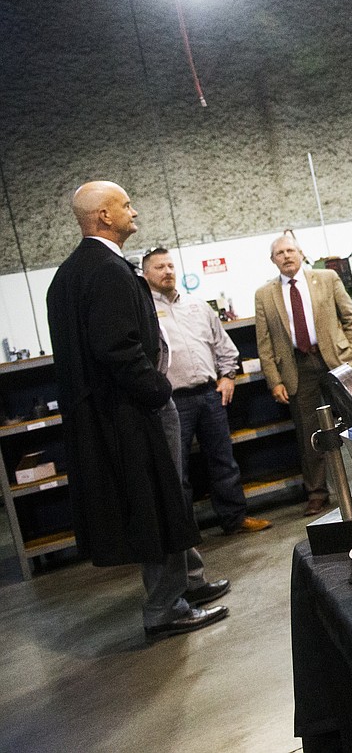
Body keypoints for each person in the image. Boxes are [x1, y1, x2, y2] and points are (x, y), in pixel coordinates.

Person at [46, 181, 229, 641]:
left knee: (168, 494)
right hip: (134, 411)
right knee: (160, 499)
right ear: (103, 216)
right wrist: (156, 390)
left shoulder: (69, 273)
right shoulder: (107, 270)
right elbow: (117, 347)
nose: (134, 211)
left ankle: (188, 582)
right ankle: (166, 606)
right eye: (125, 205)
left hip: (110, 414)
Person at [142, 248, 273, 534]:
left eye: (170, 265)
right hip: (171, 400)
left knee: (223, 461)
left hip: (209, 395)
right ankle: (185, 532)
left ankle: (235, 519)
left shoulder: (197, 305)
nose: (167, 271)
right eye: (158, 267)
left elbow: (224, 347)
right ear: (145, 274)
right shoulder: (144, 313)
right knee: (178, 470)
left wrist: (227, 376)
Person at [254, 234, 352, 516]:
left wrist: (351, 355)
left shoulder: (327, 278)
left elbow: (351, 318)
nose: (286, 256)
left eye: (290, 250)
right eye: (280, 253)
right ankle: (317, 494)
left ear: (301, 253)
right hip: (298, 369)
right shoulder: (264, 295)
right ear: (272, 260)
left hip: (336, 361)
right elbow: (264, 342)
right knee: (309, 434)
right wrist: (274, 379)